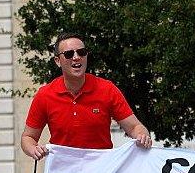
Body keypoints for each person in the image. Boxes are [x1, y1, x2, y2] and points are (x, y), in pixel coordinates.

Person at [21, 33, 153, 160]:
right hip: (63, 172)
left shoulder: (107, 89)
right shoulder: (45, 95)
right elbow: (28, 137)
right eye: (69, 54)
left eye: (81, 52)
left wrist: (142, 136)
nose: (76, 57)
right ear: (57, 61)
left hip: (102, 171)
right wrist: (34, 149)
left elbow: (134, 127)